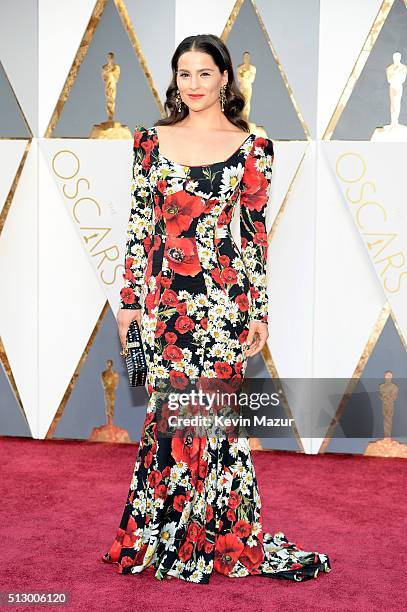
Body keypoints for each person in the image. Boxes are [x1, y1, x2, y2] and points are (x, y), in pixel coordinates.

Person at [102, 33, 331, 583]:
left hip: (223, 304)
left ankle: (216, 536)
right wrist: (130, 301)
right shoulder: (148, 142)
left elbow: (253, 238)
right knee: (169, 415)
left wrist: (259, 312)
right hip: (164, 306)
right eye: (185, 73)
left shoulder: (254, 147)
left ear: (226, 78)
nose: (195, 84)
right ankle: (162, 537)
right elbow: (140, 226)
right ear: (174, 79)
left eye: (206, 73)